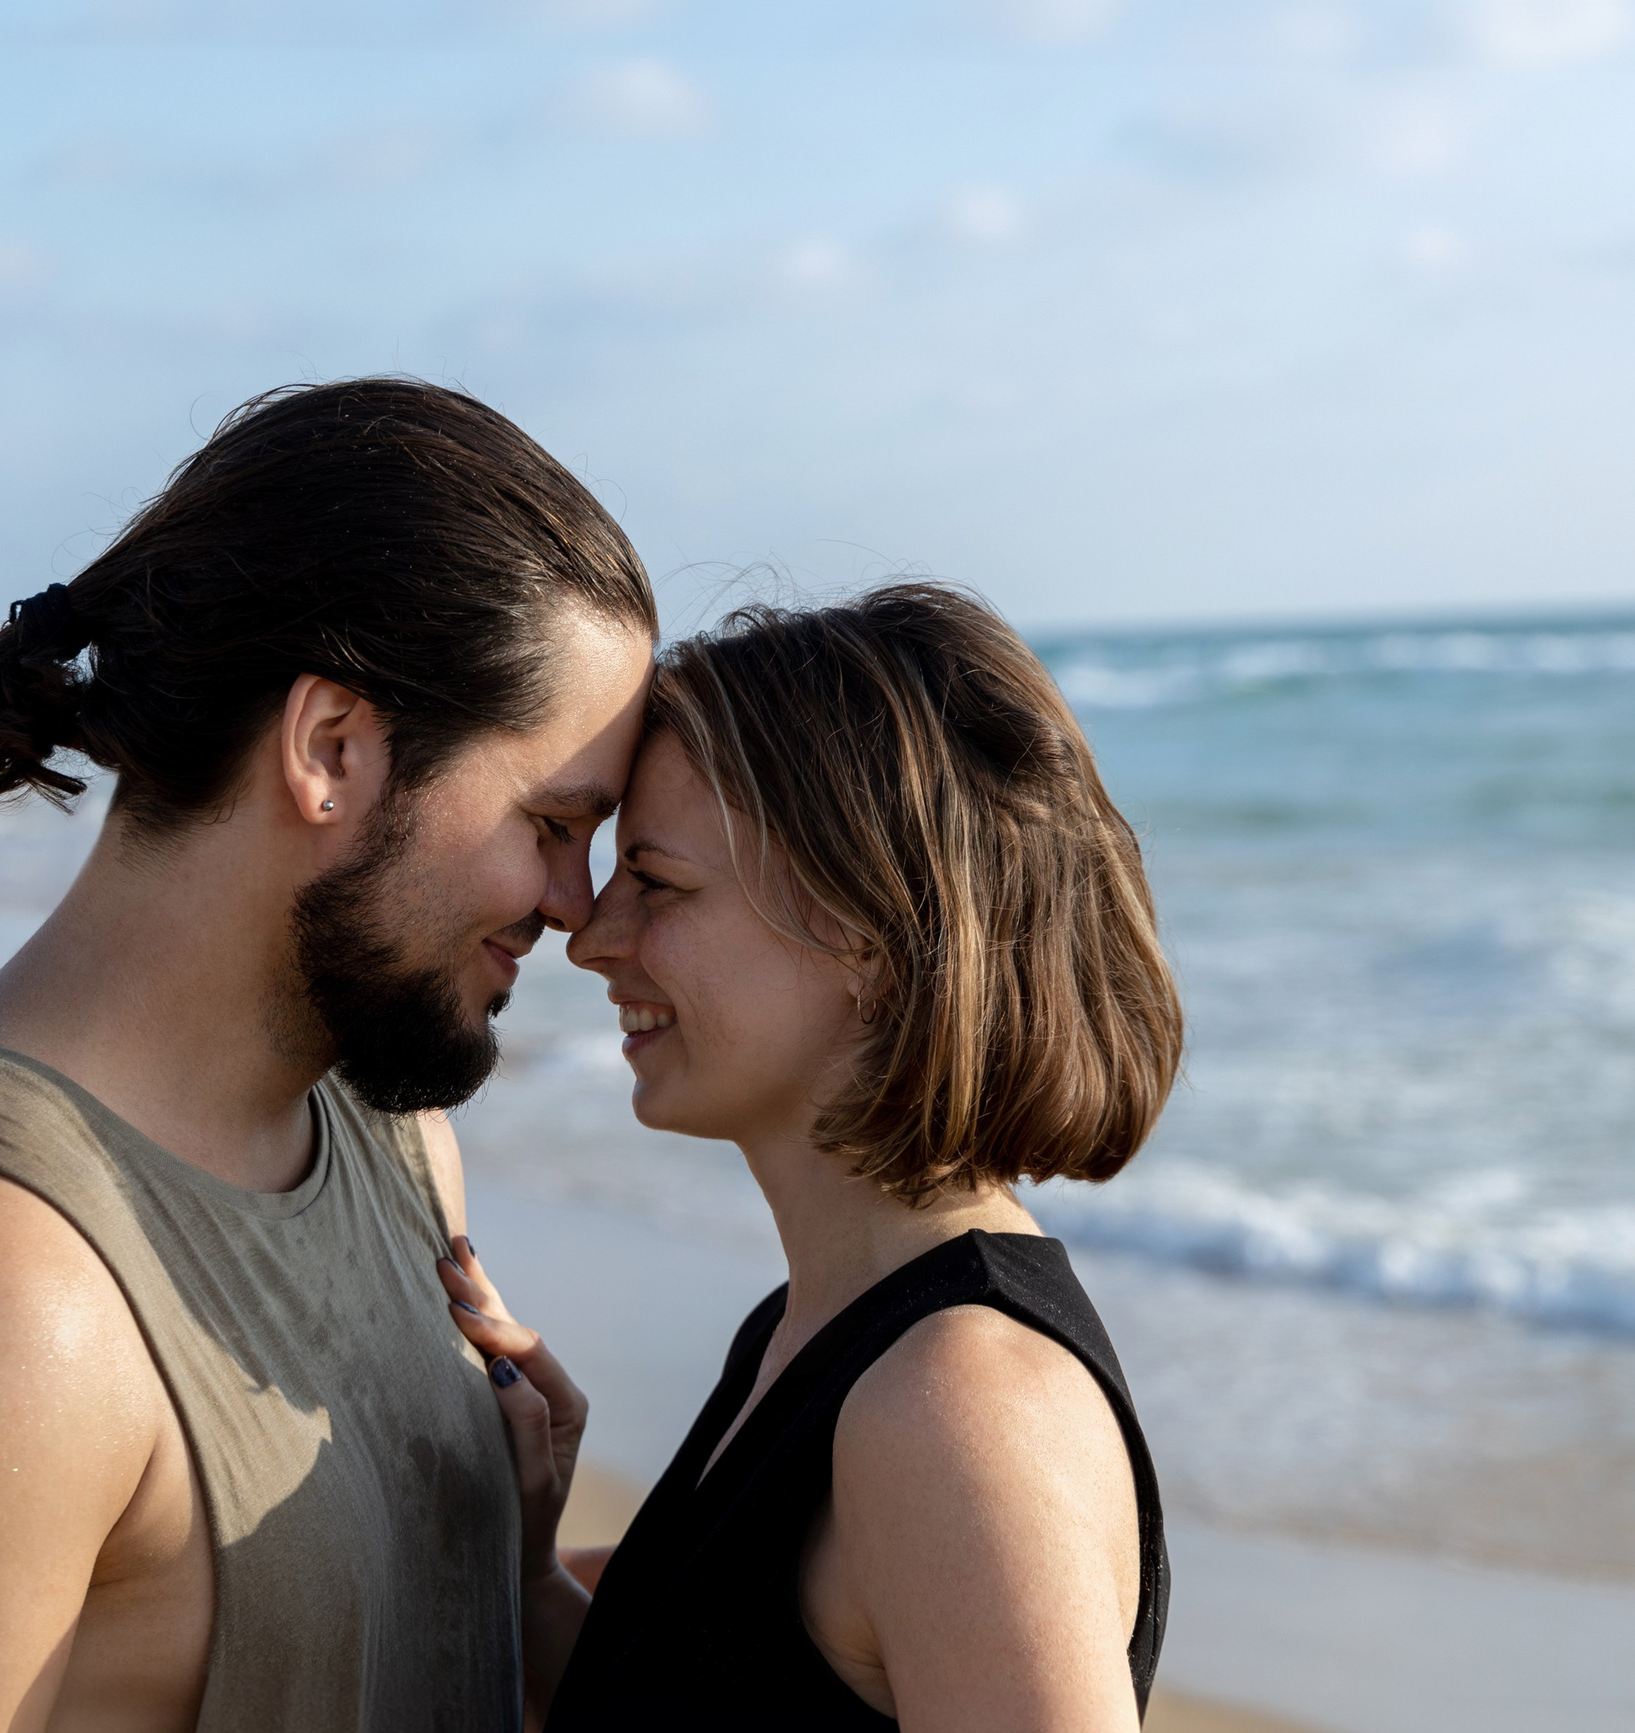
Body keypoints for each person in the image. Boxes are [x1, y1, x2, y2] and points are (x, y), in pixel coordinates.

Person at [0, 378, 654, 1732]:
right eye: (554, 821)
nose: (578, 902)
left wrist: (522, 1566)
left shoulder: (395, 1148)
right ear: (331, 749)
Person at [444, 583, 1183, 1729]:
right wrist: (529, 1567)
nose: (591, 936)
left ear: (869, 935)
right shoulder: (815, 1329)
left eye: (659, 880)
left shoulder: (960, 1407)